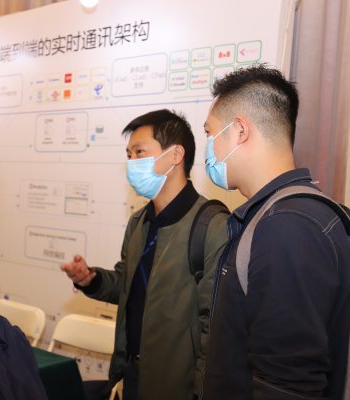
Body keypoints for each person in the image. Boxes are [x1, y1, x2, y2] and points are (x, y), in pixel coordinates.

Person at [200, 65, 350, 399]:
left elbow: (287, 383)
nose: (208, 146)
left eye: (210, 133)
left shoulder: (287, 227)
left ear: (239, 131)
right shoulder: (279, 216)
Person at [61, 110, 228, 400]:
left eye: (139, 152)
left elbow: (215, 329)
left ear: (175, 155)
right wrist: (91, 279)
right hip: (133, 376)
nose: (132, 163)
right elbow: (127, 286)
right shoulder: (139, 222)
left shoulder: (211, 226)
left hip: (180, 387)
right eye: (129, 155)